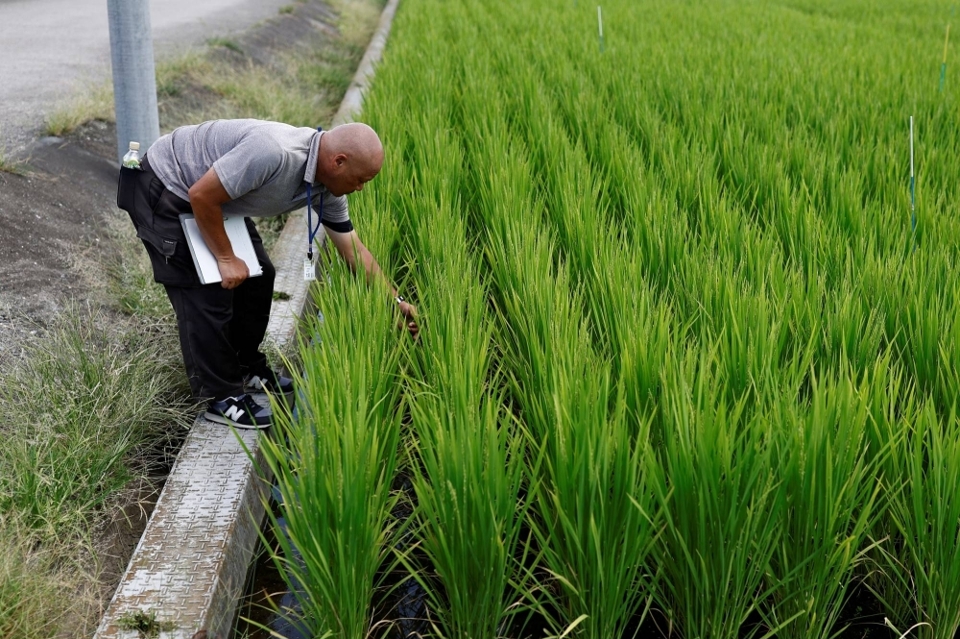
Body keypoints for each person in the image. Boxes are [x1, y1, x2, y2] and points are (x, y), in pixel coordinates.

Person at [119, 118, 418, 429]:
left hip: (215, 199)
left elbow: (352, 248)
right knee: (208, 290)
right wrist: (225, 257)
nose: (360, 188)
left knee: (258, 277)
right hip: (169, 186)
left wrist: (393, 301)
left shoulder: (327, 188)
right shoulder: (275, 152)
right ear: (338, 162)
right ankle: (221, 397)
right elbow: (201, 196)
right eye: (361, 180)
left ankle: (246, 366)